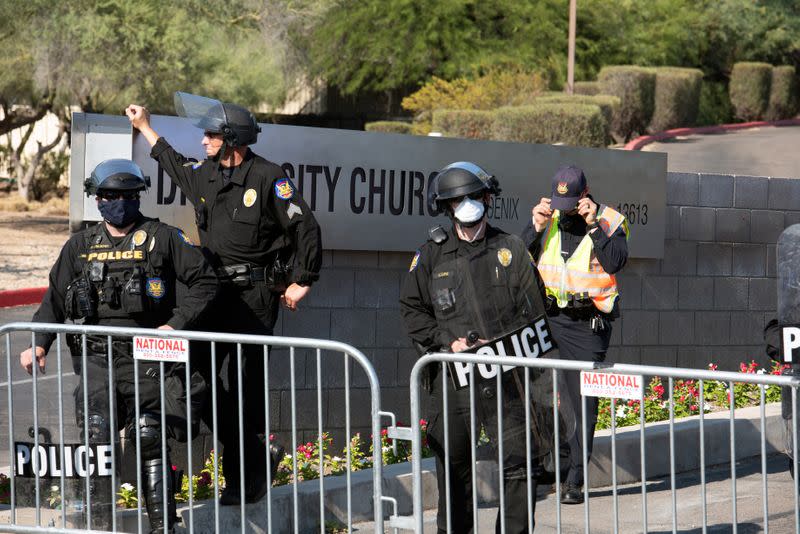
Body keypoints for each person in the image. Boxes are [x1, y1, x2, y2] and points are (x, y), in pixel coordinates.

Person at [125, 93, 322, 505]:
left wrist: (302, 280)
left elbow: (306, 227)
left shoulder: (269, 177)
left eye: (212, 136)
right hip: (214, 294)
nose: (204, 142)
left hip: (254, 299)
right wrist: (144, 126)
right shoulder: (205, 175)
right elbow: (172, 162)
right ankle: (257, 454)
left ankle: (244, 481)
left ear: (231, 139)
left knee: (247, 390)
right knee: (198, 377)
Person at [19, 159, 218, 532]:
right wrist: (39, 343)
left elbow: (206, 282)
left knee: (150, 438)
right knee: (97, 441)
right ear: (97, 199)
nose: (118, 202)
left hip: (149, 358)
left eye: (126, 195)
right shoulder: (80, 245)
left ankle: (164, 526)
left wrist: (175, 325)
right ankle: (99, 524)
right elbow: (55, 300)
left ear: (137, 197)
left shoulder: (163, 238)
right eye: (109, 195)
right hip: (96, 358)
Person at [400, 161, 551, 533]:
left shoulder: (511, 249)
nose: (467, 206)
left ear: (487, 199)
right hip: (455, 380)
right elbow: (411, 309)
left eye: (474, 197)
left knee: (518, 465)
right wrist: (444, 342)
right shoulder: (430, 256)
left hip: (507, 376)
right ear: (447, 208)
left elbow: (536, 307)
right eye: (458, 201)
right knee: (454, 469)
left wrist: (507, 342)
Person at [521, 164, 629, 504]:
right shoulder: (547, 219)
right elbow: (516, 264)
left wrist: (594, 225)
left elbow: (615, 262)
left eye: (570, 205)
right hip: (550, 319)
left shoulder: (610, 220)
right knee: (541, 395)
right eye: (558, 203)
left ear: (585, 195)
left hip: (587, 325)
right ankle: (550, 468)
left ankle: (575, 479)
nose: (563, 211)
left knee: (583, 402)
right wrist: (533, 228)